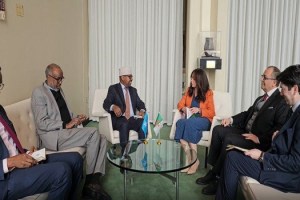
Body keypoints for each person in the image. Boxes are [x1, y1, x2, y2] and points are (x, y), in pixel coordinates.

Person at [196, 66, 290, 195]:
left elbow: (279, 127)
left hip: (257, 139)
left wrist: (259, 138)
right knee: (218, 130)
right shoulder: (261, 99)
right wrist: (231, 119)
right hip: (245, 131)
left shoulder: (281, 101)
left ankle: (217, 178)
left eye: (265, 77)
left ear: (274, 81)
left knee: (229, 139)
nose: (261, 79)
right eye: (262, 76)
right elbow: (247, 114)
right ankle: (213, 170)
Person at [216, 64, 300, 200]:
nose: (281, 92)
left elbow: (296, 163)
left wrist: (262, 156)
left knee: (232, 159)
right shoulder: (294, 110)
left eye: (283, 89)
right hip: (277, 160)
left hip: (288, 176)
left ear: (295, 89)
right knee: (231, 152)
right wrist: (277, 137)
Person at [0, 66, 83, 200]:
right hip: (6, 179)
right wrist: (11, 162)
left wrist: (26, 153)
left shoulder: (0, 110)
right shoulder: (39, 92)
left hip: (22, 160)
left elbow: (9, 145)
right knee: (62, 171)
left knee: (76, 159)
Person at [31, 63, 111, 200]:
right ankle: (89, 184)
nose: (60, 82)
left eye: (62, 78)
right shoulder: (39, 93)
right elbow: (41, 122)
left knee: (102, 138)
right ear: (48, 76)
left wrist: (76, 119)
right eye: (57, 79)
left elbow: (64, 114)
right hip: (53, 136)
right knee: (93, 133)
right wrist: (65, 124)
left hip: (65, 131)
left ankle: (94, 181)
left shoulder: (59, 90)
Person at [174, 68, 215, 175]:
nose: (191, 81)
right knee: (180, 123)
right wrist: (183, 108)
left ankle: (194, 162)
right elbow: (180, 104)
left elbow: (212, 112)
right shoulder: (189, 91)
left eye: (194, 79)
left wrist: (200, 110)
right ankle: (191, 161)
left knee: (188, 124)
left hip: (204, 120)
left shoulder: (208, 93)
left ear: (200, 80)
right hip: (191, 119)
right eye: (191, 78)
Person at [103, 67, 147, 152]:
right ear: (122, 77)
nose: (132, 79)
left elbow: (140, 103)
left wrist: (142, 110)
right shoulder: (113, 89)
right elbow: (106, 104)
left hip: (132, 118)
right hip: (119, 119)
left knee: (142, 122)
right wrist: (113, 107)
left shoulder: (133, 90)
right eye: (129, 77)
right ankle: (124, 153)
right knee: (124, 123)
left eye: (132, 77)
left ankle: (141, 150)